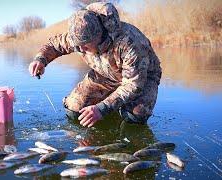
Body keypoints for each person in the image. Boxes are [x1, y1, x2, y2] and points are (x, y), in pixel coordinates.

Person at [28, 2, 162, 127]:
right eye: (77, 46)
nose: (80, 50)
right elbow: (55, 45)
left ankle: (117, 112)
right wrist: (41, 60)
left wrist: (102, 108)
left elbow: (133, 84)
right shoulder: (79, 40)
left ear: (98, 36)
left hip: (142, 79)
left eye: (84, 46)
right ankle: (109, 107)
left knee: (134, 116)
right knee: (74, 110)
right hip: (105, 76)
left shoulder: (130, 43)